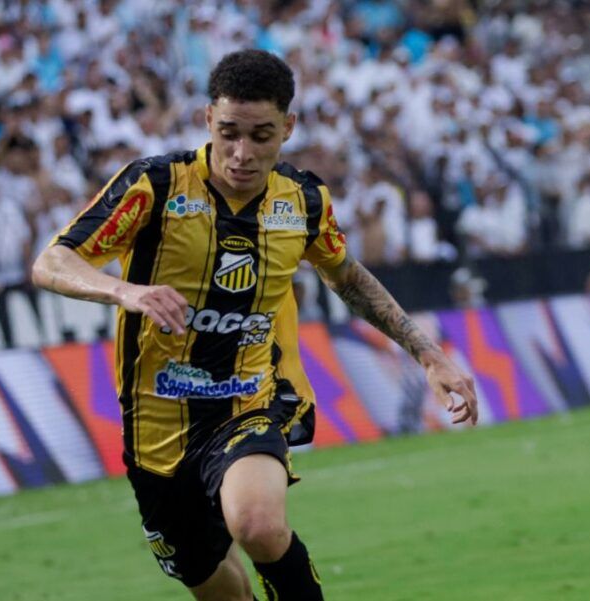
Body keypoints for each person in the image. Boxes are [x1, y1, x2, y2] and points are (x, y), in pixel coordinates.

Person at [32, 49, 478, 601]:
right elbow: (52, 261)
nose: (242, 153)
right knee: (217, 587)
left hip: (248, 402)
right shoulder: (155, 186)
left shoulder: (303, 202)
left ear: (288, 128)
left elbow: (347, 277)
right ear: (207, 120)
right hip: (153, 425)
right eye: (229, 133)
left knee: (259, 525)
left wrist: (427, 354)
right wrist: (125, 291)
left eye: (261, 135)